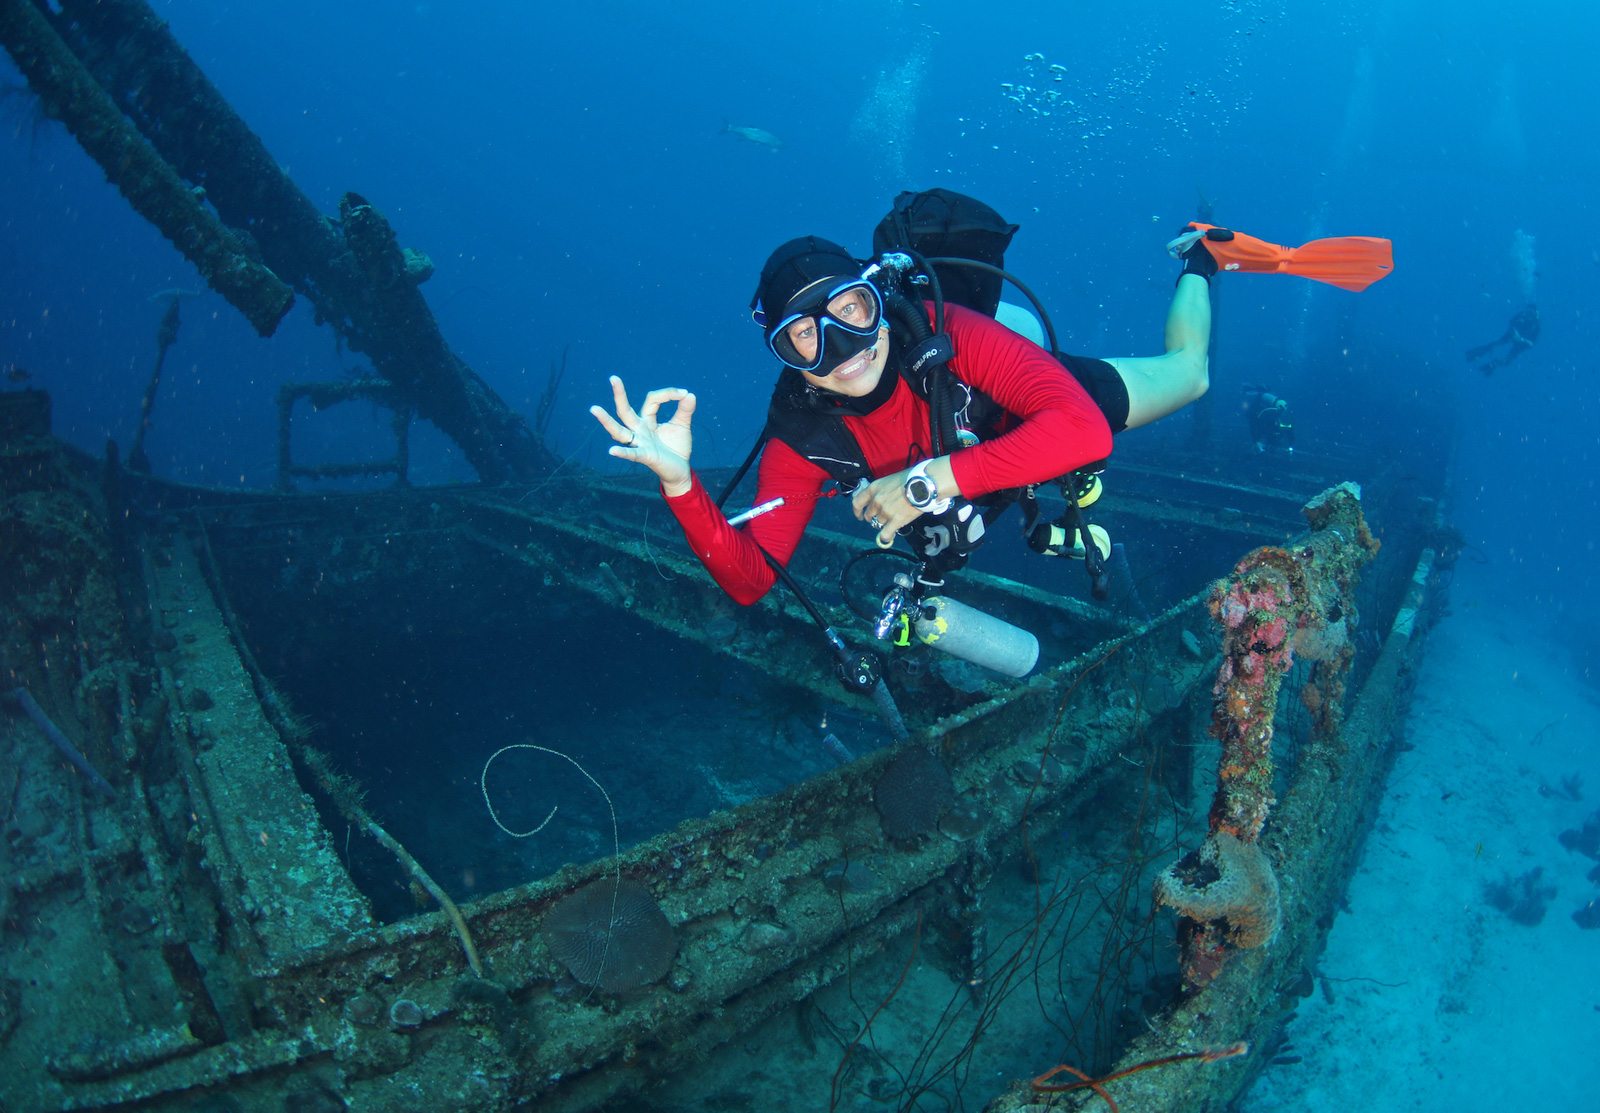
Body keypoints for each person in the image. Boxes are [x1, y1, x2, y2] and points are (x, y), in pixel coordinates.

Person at [589, 218, 1218, 607]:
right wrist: (680, 484)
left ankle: (1202, 256)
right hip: (985, 463)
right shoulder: (803, 438)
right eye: (802, 336)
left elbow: (1080, 430)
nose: (838, 351)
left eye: (851, 311)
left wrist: (928, 482)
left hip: (1021, 399)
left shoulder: (941, 331)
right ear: (782, 352)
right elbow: (753, 580)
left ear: (878, 302)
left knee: (1191, 375)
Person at [1466, 304, 1539, 375]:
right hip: (1513, 334)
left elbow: (1533, 342)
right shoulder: (1522, 314)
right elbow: (1511, 321)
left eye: (1531, 313)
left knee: (1508, 360)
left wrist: (1521, 339)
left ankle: (1493, 364)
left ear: (1534, 313)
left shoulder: (1536, 324)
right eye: (1527, 311)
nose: (1528, 315)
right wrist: (1514, 330)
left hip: (1522, 343)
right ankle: (1478, 353)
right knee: (1496, 344)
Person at [1241, 384, 1295, 453]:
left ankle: (1263, 391)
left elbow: (1291, 433)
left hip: (1267, 419)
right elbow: (1254, 426)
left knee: (1251, 416)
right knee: (1250, 416)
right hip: (1262, 417)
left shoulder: (1283, 422)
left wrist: (1290, 446)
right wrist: (1256, 441)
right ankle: (1263, 391)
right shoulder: (1268, 419)